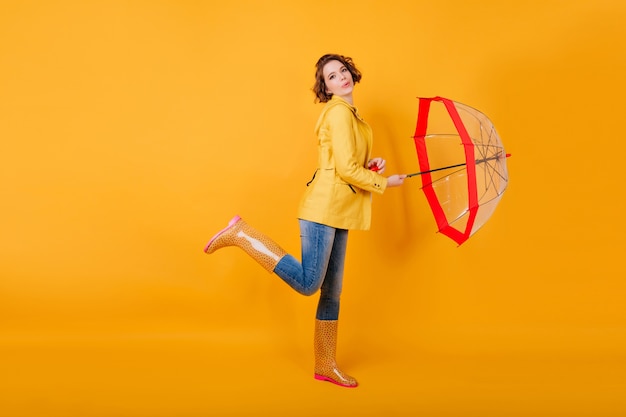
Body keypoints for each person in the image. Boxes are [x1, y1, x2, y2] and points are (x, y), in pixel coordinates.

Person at [204, 53, 406, 388]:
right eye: (331, 76)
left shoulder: (351, 115)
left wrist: (370, 167)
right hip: (323, 209)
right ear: (325, 88)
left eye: (343, 71)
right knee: (311, 283)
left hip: (339, 209)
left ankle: (325, 364)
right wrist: (385, 182)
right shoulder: (340, 113)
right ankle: (242, 235)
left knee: (332, 292)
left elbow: (344, 163)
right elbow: (343, 170)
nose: (340, 77)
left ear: (352, 75)